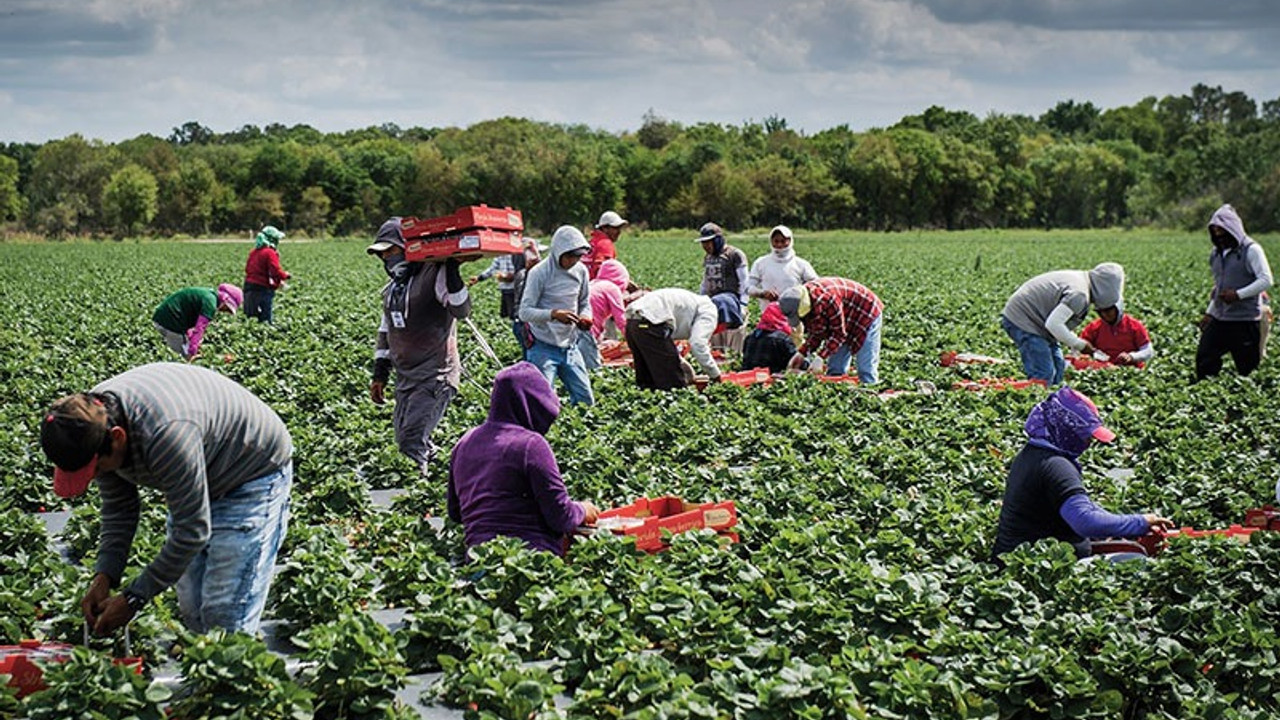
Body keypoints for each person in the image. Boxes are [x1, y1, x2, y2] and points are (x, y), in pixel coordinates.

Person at [39, 363, 293, 635]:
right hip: (197, 469)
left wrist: (133, 598)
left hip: (251, 472)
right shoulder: (90, 425)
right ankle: (208, 663)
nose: (98, 475)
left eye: (97, 469)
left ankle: (231, 674)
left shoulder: (165, 435)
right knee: (192, 606)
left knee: (225, 612)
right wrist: (104, 576)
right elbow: (119, 509)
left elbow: (191, 531)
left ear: (118, 438)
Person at [990, 387, 1172, 564]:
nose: (1088, 442)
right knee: (1137, 561)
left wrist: (1124, 528)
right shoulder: (1058, 467)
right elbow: (1085, 521)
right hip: (1038, 568)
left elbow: (1087, 510)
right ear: (1066, 428)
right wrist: (1139, 522)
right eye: (1084, 435)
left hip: (1015, 560)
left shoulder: (1031, 454)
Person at [447, 362, 600, 556]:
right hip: (529, 562)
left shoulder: (464, 443)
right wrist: (582, 510)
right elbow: (560, 517)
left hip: (480, 560)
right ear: (534, 405)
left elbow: (455, 512)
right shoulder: (531, 445)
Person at [367, 217, 471, 475]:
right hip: (405, 377)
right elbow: (386, 330)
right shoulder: (393, 288)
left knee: (410, 442)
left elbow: (461, 309)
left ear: (406, 247)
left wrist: (452, 271)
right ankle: (450, 474)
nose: (386, 259)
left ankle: (416, 501)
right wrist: (380, 373)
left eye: (390, 251)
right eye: (382, 254)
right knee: (405, 437)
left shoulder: (434, 274)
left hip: (435, 375)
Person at [1000, 263, 1125, 386]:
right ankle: (1036, 400)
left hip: (1039, 323)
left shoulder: (1082, 283)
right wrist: (1080, 345)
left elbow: (1056, 324)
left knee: (1058, 367)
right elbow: (1053, 324)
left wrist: (1076, 342)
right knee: (1044, 374)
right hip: (1024, 320)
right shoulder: (1079, 294)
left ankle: (1053, 400)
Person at [518, 225, 595, 405]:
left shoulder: (581, 271)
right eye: (570, 256)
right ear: (558, 251)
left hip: (570, 346)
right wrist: (553, 314)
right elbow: (524, 312)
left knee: (585, 400)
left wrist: (585, 317)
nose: (574, 261)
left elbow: (584, 302)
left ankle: (581, 431)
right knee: (541, 402)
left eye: (578, 256)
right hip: (542, 346)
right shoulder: (539, 272)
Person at [1196, 204, 1274, 380]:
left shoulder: (1251, 250)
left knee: (1247, 370)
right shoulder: (1216, 254)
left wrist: (1238, 294)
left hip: (1245, 320)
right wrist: (1209, 312)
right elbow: (1219, 288)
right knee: (1205, 358)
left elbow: (1265, 279)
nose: (1219, 236)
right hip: (1221, 318)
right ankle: (1207, 394)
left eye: (1222, 232)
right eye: (1215, 232)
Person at [778, 278, 884, 384]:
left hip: (865, 312)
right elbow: (817, 332)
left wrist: (820, 357)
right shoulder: (807, 303)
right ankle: (838, 391)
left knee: (865, 368)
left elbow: (839, 334)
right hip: (844, 317)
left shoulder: (827, 298)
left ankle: (870, 390)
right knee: (835, 368)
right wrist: (802, 353)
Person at [624, 288, 722, 390]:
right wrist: (715, 375)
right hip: (650, 323)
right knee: (673, 384)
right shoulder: (709, 311)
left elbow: (662, 345)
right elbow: (698, 344)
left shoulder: (694, 302)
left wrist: (680, 362)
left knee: (647, 380)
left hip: (633, 323)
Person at [695, 222, 749, 355]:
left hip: (730, 302)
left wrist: (743, 304)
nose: (705, 246)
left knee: (722, 303)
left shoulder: (734, 255)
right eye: (703, 243)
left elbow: (744, 282)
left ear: (718, 240)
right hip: (714, 303)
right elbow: (706, 281)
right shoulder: (708, 258)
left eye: (708, 242)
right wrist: (699, 300)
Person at [152, 284, 242, 360]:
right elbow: (200, 328)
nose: (225, 311)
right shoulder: (210, 303)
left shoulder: (209, 295)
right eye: (227, 308)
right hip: (170, 324)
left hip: (164, 319)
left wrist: (191, 339)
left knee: (182, 349)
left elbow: (187, 314)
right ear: (225, 300)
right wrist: (193, 350)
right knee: (182, 359)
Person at [745, 225, 818, 314]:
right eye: (776, 241)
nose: (779, 245)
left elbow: (816, 287)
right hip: (769, 315)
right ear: (771, 241)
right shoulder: (761, 263)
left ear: (790, 241)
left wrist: (796, 295)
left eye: (783, 241)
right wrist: (763, 293)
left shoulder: (801, 264)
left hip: (796, 316)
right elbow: (748, 287)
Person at [1077, 304, 1153, 367]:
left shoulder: (1134, 326)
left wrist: (1131, 357)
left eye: (1108, 311)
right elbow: (1080, 347)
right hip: (1103, 369)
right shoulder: (1094, 327)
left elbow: (1148, 351)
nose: (1104, 315)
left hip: (1130, 370)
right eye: (1100, 312)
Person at [243, 225, 291, 323]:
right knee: (265, 319)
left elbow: (248, 269)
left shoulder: (254, 252)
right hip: (262, 289)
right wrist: (285, 276)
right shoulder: (269, 252)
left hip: (249, 288)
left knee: (251, 318)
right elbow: (275, 271)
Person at [741, 303, 802, 373]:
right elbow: (797, 361)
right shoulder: (782, 339)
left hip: (748, 378)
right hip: (771, 379)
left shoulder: (750, 337)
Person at [589, 259, 633, 341]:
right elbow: (621, 320)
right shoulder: (612, 288)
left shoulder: (593, 283)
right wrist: (633, 340)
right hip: (589, 331)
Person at [469, 253, 519, 319]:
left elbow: (526, 267)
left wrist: (514, 276)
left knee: (516, 317)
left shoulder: (518, 249)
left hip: (517, 289)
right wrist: (479, 278)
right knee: (509, 316)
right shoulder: (500, 252)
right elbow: (493, 268)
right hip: (505, 289)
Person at [584, 211, 628, 279]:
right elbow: (602, 269)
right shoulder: (605, 243)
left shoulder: (592, 241)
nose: (619, 231)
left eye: (620, 228)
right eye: (616, 228)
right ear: (605, 228)